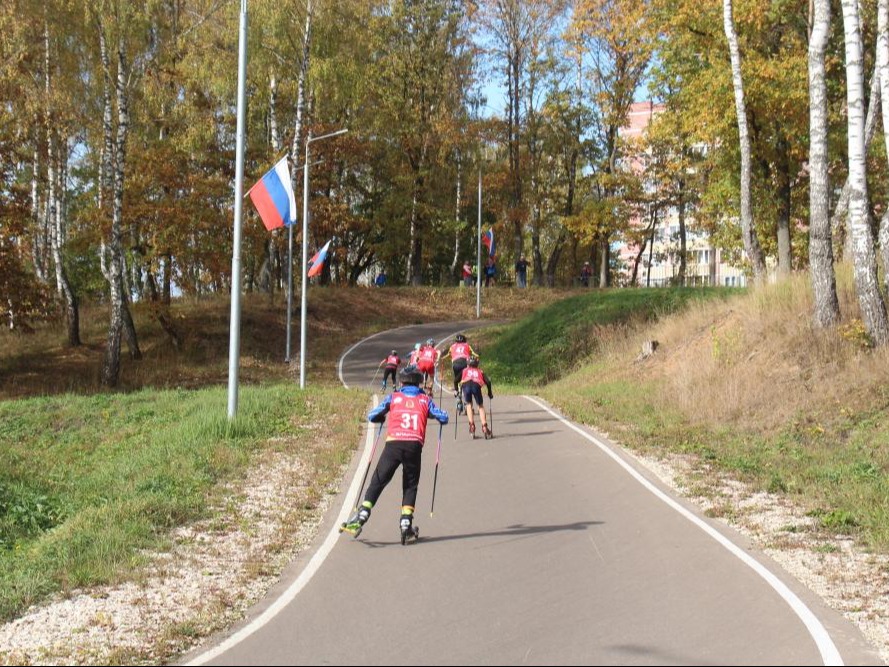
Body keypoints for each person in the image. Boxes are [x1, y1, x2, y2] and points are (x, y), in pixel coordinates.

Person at [340, 365, 449, 542]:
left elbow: (372, 415)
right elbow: (443, 417)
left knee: (378, 480)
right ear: (419, 382)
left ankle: (362, 515)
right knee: (410, 485)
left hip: (394, 445)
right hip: (414, 446)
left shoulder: (394, 397)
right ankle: (406, 524)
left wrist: (380, 417)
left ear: (401, 381)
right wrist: (433, 415)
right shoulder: (424, 400)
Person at [439, 333, 477, 411]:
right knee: (466, 380)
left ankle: (457, 392)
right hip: (465, 363)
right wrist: (477, 356)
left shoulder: (452, 346)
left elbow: (448, 354)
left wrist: (442, 358)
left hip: (455, 364)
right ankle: (467, 401)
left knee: (457, 378)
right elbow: (473, 353)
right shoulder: (467, 345)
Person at [460, 356, 493, 439]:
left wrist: (456, 390)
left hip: (466, 386)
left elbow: (456, 380)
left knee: (469, 405)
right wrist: (489, 393)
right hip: (476, 387)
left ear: (468, 364)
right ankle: (484, 426)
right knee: (480, 406)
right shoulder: (480, 371)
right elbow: (488, 382)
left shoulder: (464, 370)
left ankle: (471, 426)